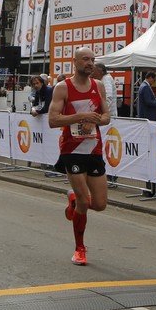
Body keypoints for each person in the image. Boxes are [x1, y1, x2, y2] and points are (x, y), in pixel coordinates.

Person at [47, 46, 111, 266]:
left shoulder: (98, 86)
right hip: (71, 150)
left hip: (94, 149)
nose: (90, 63)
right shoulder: (62, 88)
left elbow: (106, 116)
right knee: (85, 202)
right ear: (74, 62)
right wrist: (80, 117)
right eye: (85, 59)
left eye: (92, 59)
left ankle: (73, 200)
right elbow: (53, 120)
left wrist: (95, 121)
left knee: (100, 204)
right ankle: (80, 249)